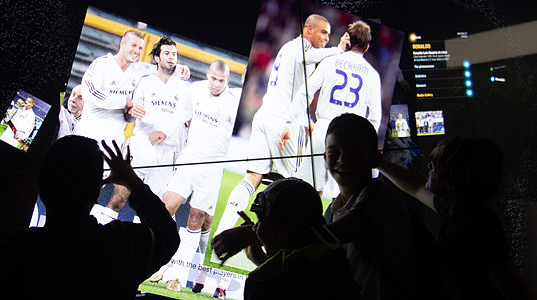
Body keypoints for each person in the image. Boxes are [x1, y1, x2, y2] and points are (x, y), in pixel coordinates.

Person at [213, 114, 418, 300]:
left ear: (375, 158)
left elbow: (318, 238)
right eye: (334, 152)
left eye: (355, 153)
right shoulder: (332, 210)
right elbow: (302, 269)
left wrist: (252, 233)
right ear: (325, 157)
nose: (343, 160)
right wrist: (258, 250)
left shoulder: (381, 199)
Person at [0, 136, 180, 300]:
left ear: (41, 185)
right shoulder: (120, 245)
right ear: (96, 192)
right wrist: (130, 180)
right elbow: (168, 233)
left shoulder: (9, 256)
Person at [214, 14, 349, 238]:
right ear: (308, 29)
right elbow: (318, 56)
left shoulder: (287, 48)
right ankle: (275, 241)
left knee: (252, 177)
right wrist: (340, 50)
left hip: (264, 117)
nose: (327, 37)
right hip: (283, 124)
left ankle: (223, 232)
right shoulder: (301, 48)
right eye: (323, 32)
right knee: (288, 187)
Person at [378, 136, 537, 300]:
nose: (429, 169)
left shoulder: (478, 227)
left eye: (435, 167)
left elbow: (518, 292)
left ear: (451, 183)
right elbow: (416, 187)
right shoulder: (455, 212)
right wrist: (379, 162)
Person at [147, 61, 239, 294]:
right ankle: (160, 261)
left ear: (228, 80)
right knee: (165, 207)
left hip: (212, 166)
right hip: (190, 157)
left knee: (198, 219)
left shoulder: (233, 102)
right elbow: (180, 113)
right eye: (213, 79)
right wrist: (165, 131)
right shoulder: (195, 90)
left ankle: (178, 275)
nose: (216, 84)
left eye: (222, 80)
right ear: (208, 75)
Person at [283, 20, 381, 197]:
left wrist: (290, 121)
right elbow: (375, 118)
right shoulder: (373, 75)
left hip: (323, 131)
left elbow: (306, 91)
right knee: (345, 197)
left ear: (347, 40)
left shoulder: (330, 61)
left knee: (308, 193)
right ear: (367, 47)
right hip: (351, 138)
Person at [125, 37, 192, 200]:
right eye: (167, 53)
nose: (171, 57)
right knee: (123, 192)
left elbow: (189, 120)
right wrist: (131, 113)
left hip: (168, 150)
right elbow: (130, 116)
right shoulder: (145, 81)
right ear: (157, 58)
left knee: (153, 202)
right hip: (142, 142)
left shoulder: (185, 88)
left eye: (174, 54)